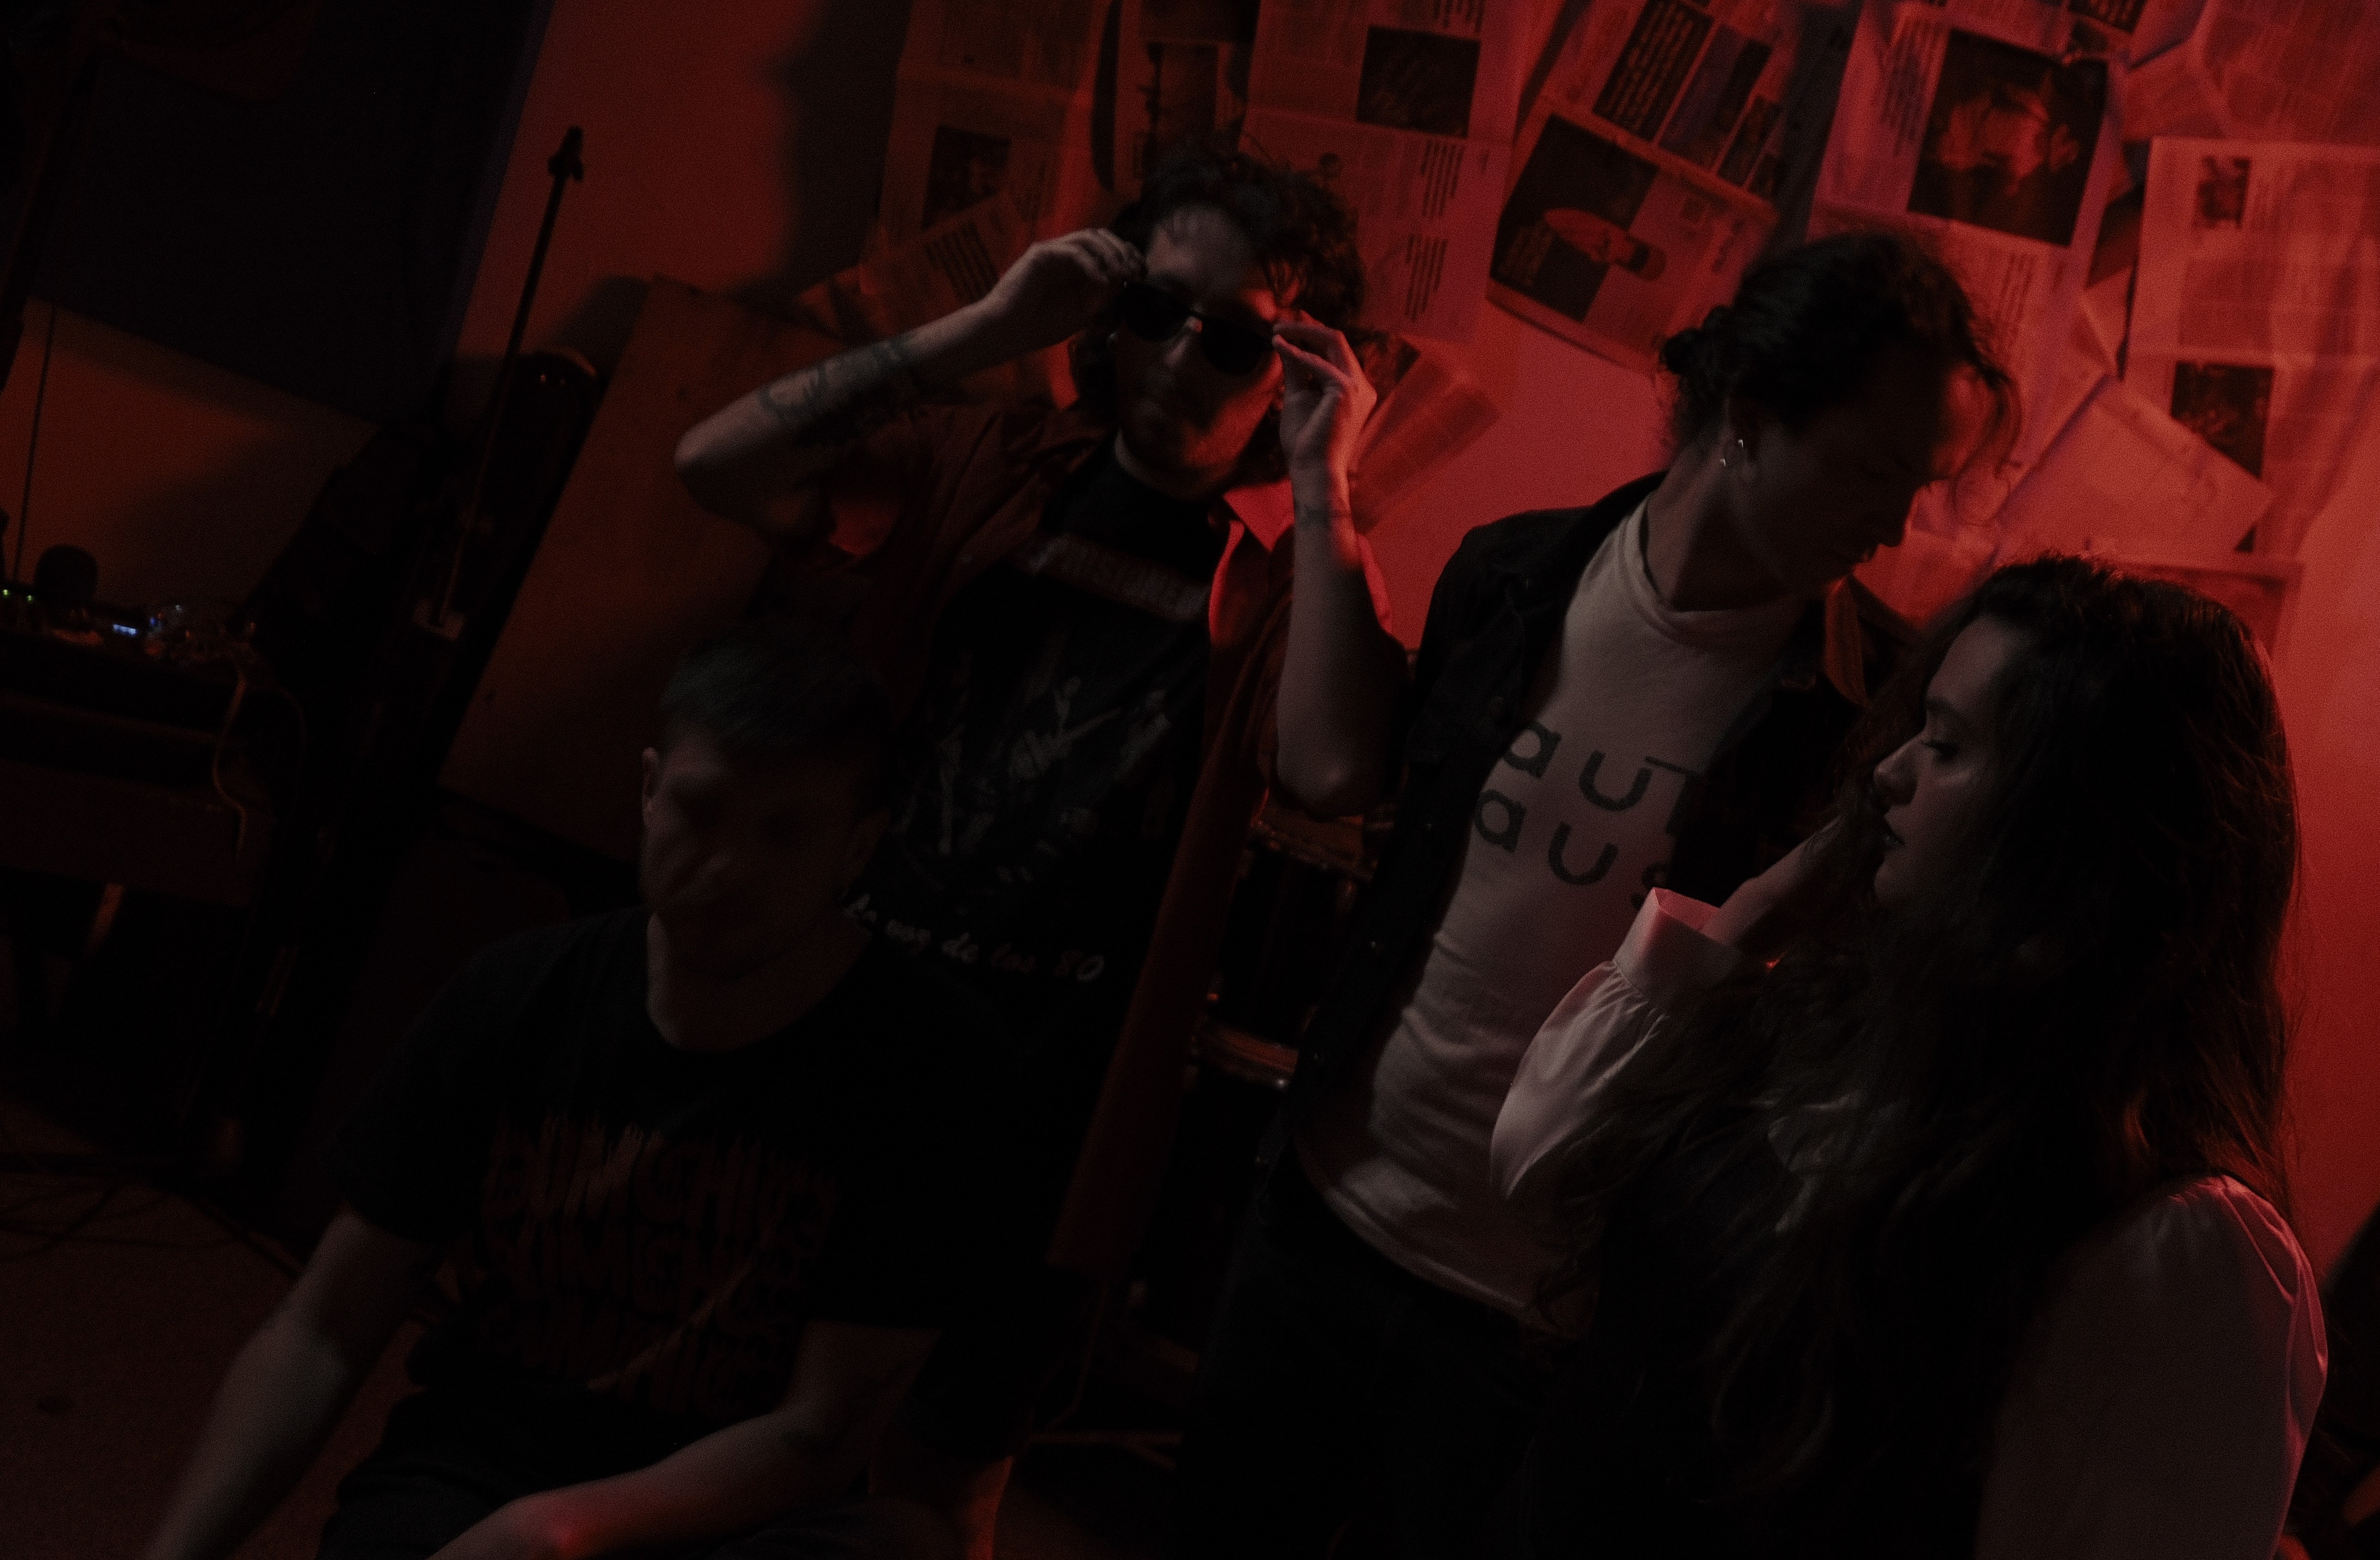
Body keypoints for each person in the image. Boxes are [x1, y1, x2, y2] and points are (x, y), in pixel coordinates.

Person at [1175, 228, 2017, 1556]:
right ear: (1749, 418)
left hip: (1546, 1319)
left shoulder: (1868, 714)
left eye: (1921, 486)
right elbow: (1333, 777)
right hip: (1325, 1211)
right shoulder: (1513, 573)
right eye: (1872, 470)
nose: (1895, 523)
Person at [672, 139, 1396, 1556]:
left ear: (1292, 365)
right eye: (1153, 312)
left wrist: (1327, 480)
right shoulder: (989, 463)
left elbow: (1328, 768)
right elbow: (716, 463)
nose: (1176, 361)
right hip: (838, 1041)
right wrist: (989, 327)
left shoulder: (1281, 573)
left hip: (1044, 1114)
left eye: (1231, 337)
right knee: (724, 1423)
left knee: (941, 1481)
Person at [1491, 555, 2326, 1556]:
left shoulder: (2176, 1245)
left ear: (2070, 830)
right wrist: (1751, 916)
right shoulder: (1832, 1028)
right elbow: (1536, 1165)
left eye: (1947, 745)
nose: (1885, 775)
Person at [140, 622, 1023, 1560]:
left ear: (857, 847)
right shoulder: (515, 996)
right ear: (649, 792)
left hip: (735, 1516)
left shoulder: (932, 1063)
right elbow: (323, 1327)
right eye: (702, 811)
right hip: (482, 1469)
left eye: (786, 831)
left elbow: (817, 1432)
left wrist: (554, 1530)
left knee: (903, 1545)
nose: (730, 867)